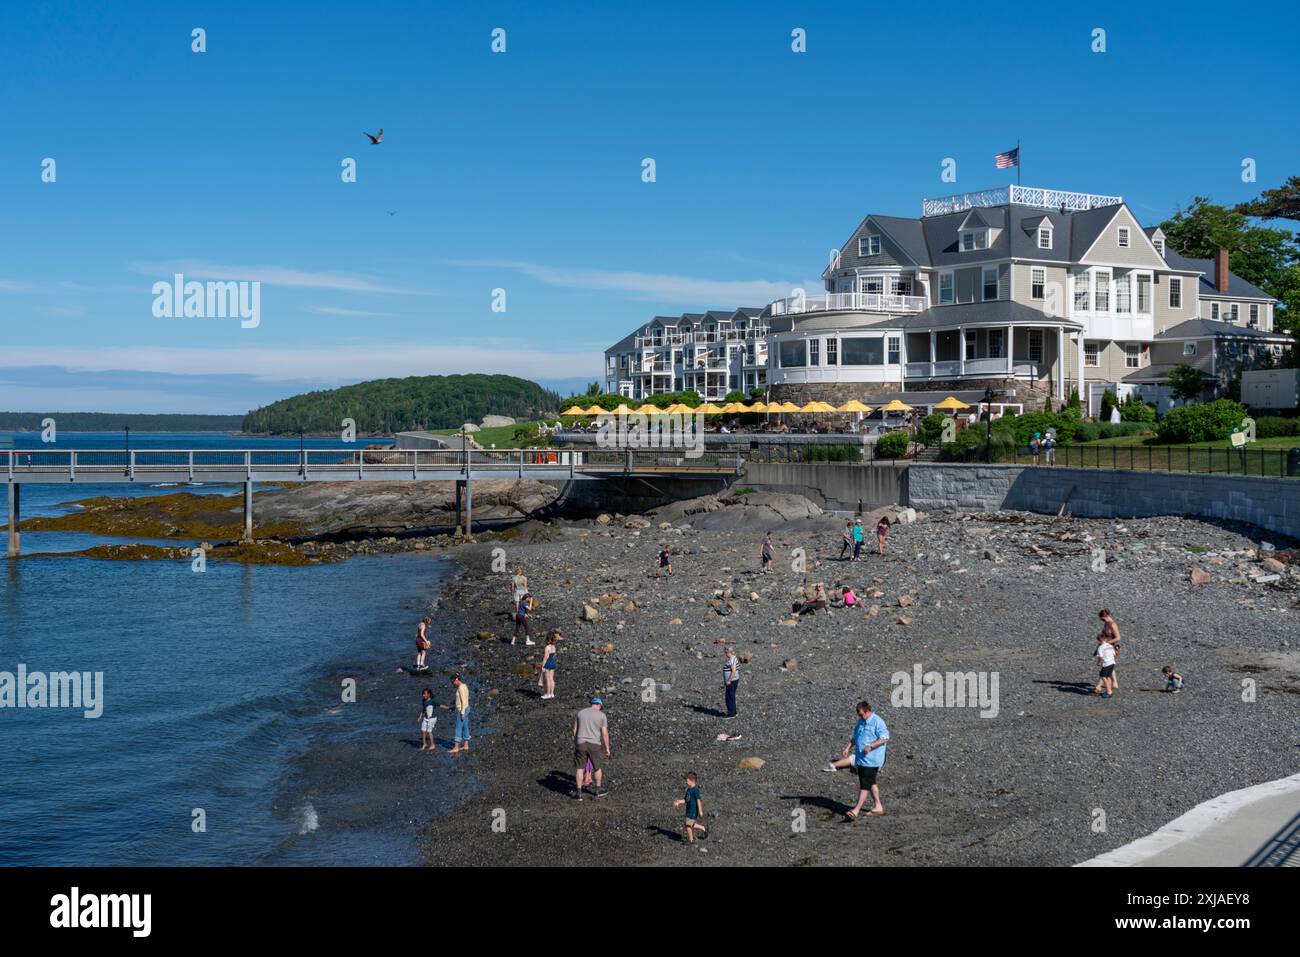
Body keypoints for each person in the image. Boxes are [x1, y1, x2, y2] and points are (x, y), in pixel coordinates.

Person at [844, 700, 889, 820]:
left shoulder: (877, 722)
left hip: (872, 760)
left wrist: (871, 746)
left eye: (861, 714)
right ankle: (878, 806)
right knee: (871, 782)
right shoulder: (861, 722)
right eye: (858, 715)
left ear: (868, 711)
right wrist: (848, 747)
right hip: (861, 760)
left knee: (864, 785)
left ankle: (856, 810)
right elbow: (856, 737)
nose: (859, 716)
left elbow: (884, 738)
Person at [572, 697, 611, 800]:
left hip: (581, 743)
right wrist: (607, 748)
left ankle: (578, 793)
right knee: (597, 767)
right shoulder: (601, 715)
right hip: (594, 744)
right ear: (599, 705)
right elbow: (604, 733)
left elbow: (574, 730)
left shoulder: (580, 713)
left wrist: (576, 742)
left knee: (580, 768)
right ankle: (598, 790)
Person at [672, 772, 708, 844]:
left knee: (688, 825)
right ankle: (703, 828)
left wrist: (700, 810)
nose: (685, 782)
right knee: (691, 824)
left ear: (692, 781)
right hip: (688, 810)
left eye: (687, 780)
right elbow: (686, 799)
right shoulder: (688, 790)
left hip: (693, 811)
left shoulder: (695, 790)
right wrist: (679, 802)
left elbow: (698, 801)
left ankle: (690, 840)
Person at [1098, 609, 1122, 690]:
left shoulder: (1112, 625)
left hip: (1109, 647)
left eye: (1103, 619)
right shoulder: (1106, 623)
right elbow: (1103, 634)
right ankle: (1114, 683)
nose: (1102, 620)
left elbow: (1118, 638)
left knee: (1105, 664)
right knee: (1110, 665)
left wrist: (1107, 643)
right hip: (1105, 646)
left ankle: (1099, 685)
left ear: (1107, 616)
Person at [448, 673, 471, 753]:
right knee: (465, 726)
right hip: (467, 708)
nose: (453, 684)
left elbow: (463, 701)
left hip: (462, 709)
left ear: (457, 679)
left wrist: (462, 713)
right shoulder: (464, 686)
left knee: (458, 727)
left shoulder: (460, 688)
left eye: (453, 682)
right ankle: (466, 745)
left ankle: (456, 747)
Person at [418, 687, 439, 752]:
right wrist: (420, 717)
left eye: (425, 694)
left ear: (429, 694)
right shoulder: (423, 701)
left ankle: (433, 744)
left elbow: (439, 705)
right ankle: (424, 744)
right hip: (426, 718)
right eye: (423, 694)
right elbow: (423, 710)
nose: (423, 695)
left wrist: (447, 708)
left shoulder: (432, 701)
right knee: (423, 730)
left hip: (432, 718)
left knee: (429, 731)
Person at [538, 634, 558, 699]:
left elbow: (545, 658)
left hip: (548, 663)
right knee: (552, 679)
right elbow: (554, 656)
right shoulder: (554, 647)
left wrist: (543, 666)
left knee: (548, 680)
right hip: (553, 663)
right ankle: (552, 694)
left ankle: (548, 694)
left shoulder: (547, 647)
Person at [722, 645, 740, 718]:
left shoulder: (732, 659)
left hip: (732, 681)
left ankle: (731, 713)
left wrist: (729, 680)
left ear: (728, 652)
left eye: (726, 652)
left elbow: (734, 671)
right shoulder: (733, 658)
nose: (725, 654)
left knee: (729, 697)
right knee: (731, 696)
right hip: (734, 680)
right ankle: (734, 711)